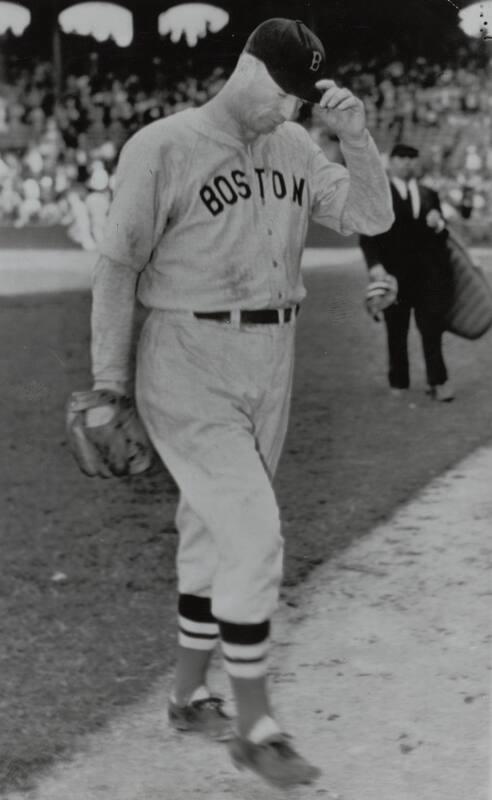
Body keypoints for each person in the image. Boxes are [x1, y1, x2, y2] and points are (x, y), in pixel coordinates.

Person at [89, 18, 394, 788]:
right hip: (185, 354)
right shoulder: (163, 146)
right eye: (285, 93)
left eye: (303, 98)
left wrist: (356, 141)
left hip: (272, 355)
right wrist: (107, 385)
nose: (292, 110)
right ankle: (255, 727)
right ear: (249, 68)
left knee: (212, 527)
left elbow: (371, 217)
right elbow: (118, 268)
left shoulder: (293, 146)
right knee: (254, 530)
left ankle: (190, 696)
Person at [359, 143, 455, 401]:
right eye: (402, 158)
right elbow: (368, 235)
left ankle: (438, 381)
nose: (407, 163)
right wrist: (375, 265)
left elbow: (443, 235)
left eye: (412, 158)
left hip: (428, 277)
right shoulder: (379, 194)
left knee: (432, 330)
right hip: (394, 276)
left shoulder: (429, 194)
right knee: (396, 331)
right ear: (390, 162)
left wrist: (439, 223)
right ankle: (399, 381)